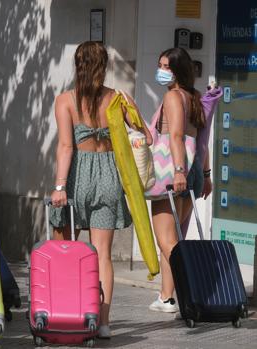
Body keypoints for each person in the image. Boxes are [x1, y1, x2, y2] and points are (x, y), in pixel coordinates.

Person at [49, 41, 152, 339]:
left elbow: (66, 146)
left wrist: (59, 186)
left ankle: (68, 310)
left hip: (78, 176)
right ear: (104, 66)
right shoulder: (117, 99)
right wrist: (132, 112)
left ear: (77, 66)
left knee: (64, 247)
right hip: (108, 175)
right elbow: (145, 137)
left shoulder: (65, 100)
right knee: (103, 254)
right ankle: (104, 322)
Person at [148, 47, 209, 313]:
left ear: (177, 70)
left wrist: (178, 170)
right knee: (173, 238)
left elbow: (175, 137)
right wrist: (205, 175)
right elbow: (203, 143)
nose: (160, 71)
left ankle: (191, 291)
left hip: (172, 172)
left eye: (165, 67)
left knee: (166, 241)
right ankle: (166, 297)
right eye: (160, 65)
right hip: (192, 172)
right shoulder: (195, 97)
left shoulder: (173, 96)